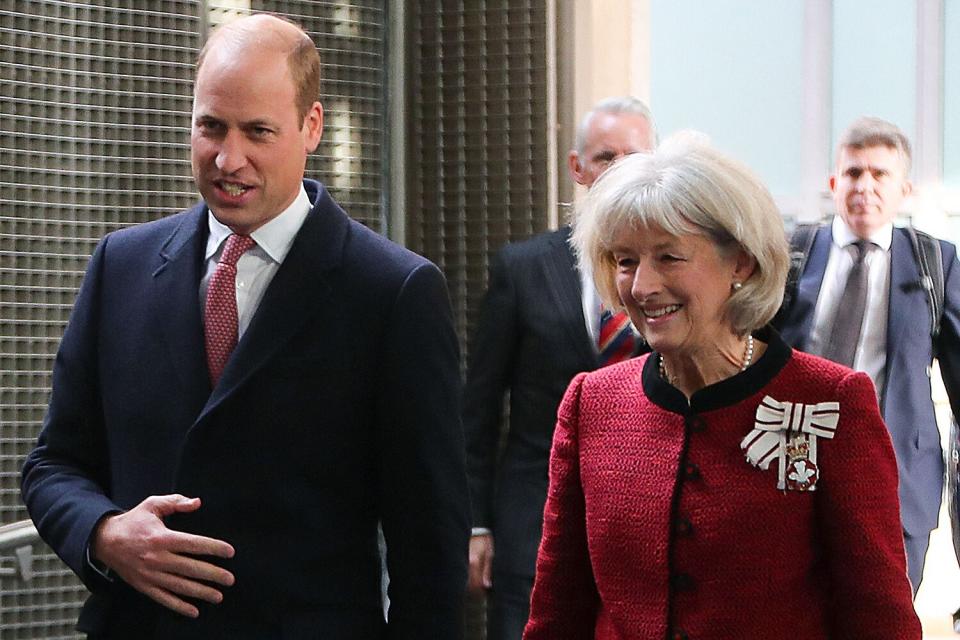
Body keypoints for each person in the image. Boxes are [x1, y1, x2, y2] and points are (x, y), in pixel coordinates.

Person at [20, 14, 469, 640]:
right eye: (211, 127)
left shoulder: (392, 292)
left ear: (312, 126)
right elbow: (54, 464)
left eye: (258, 131)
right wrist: (105, 533)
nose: (229, 159)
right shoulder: (119, 265)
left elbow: (430, 545)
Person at [523, 133, 920, 639]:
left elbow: (878, 616)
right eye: (625, 260)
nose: (642, 286)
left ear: (741, 263)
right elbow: (558, 609)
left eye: (668, 258)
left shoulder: (830, 400)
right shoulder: (592, 403)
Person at [462, 96, 655, 639]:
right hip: (533, 519)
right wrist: (476, 524)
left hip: (640, 514)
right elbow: (477, 408)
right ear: (577, 168)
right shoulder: (521, 269)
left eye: (632, 157)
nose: (617, 171)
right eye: (604, 157)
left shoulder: (671, 276)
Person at [775, 116, 960, 595]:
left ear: (905, 190)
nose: (865, 186)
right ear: (834, 184)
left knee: (885, 614)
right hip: (794, 464)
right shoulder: (791, 255)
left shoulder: (935, 263)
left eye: (881, 175)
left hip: (896, 475)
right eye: (854, 173)